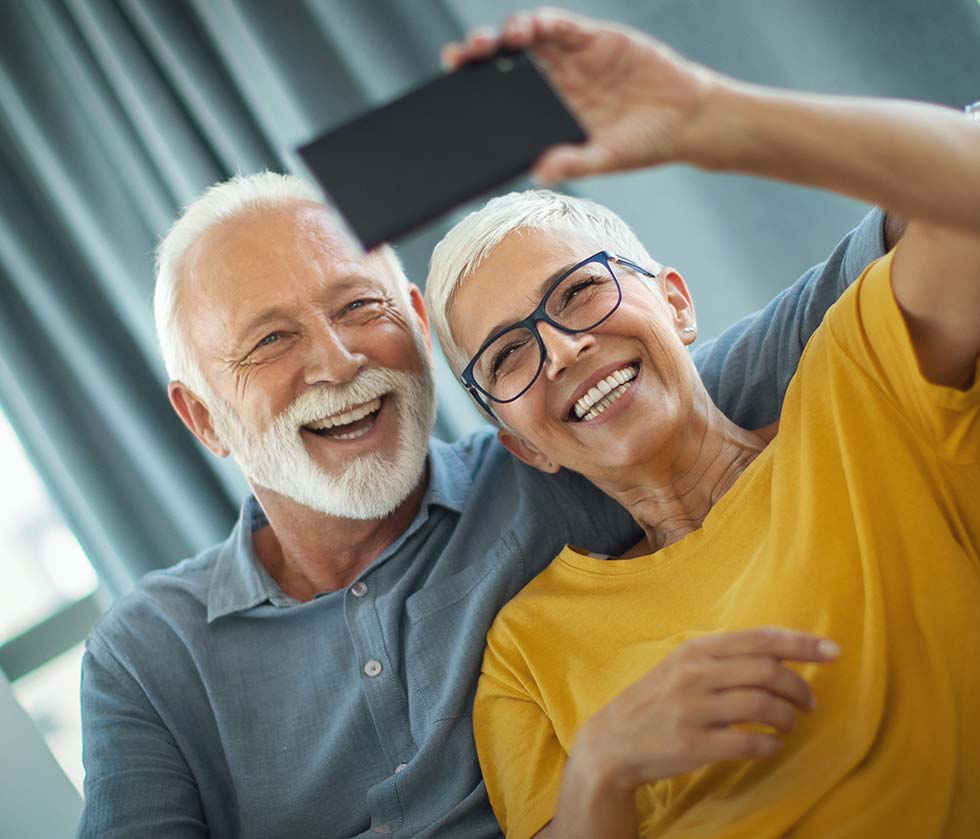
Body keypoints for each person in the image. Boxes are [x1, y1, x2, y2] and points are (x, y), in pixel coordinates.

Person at [76, 47, 894, 839]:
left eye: (361, 307)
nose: (338, 360)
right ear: (205, 418)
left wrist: (702, 108)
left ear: (419, 325)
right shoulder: (149, 653)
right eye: (271, 341)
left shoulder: (558, 438)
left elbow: (877, 261)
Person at [428, 9, 980, 839]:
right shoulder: (526, 649)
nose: (567, 348)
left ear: (678, 303)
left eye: (579, 291)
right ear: (521, 444)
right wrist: (605, 770)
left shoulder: (861, 387)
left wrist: (710, 115)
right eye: (509, 355)